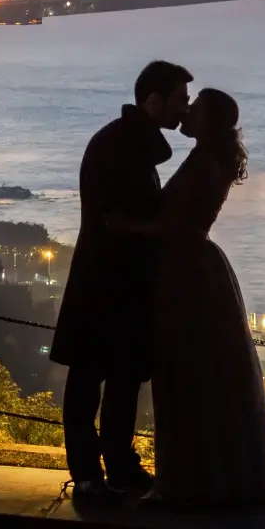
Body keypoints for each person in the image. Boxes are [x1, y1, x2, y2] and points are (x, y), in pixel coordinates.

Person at [109, 87, 265, 505]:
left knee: (185, 371)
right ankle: (204, 473)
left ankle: (190, 479)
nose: (186, 110)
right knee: (199, 372)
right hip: (194, 268)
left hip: (186, 273)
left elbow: (176, 224)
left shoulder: (205, 162)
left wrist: (124, 225)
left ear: (207, 121)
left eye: (195, 106)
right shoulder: (209, 157)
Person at [49, 60, 192, 503]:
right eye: (179, 99)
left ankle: (114, 467)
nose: (184, 109)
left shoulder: (122, 142)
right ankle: (92, 474)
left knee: (116, 377)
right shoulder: (122, 146)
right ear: (154, 100)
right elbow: (115, 220)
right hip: (107, 280)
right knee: (95, 376)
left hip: (110, 278)